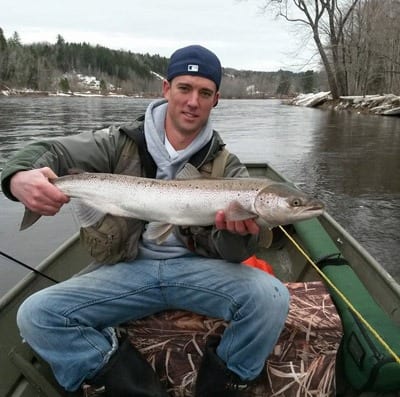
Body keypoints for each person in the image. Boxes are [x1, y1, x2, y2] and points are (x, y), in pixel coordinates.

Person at [1, 45, 290, 396]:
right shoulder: (117, 143)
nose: (193, 102)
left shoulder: (229, 168)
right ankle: (128, 383)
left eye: (205, 93)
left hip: (198, 273)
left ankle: (223, 384)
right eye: (184, 88)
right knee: (34, 315)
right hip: (126, 270)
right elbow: (52, 151)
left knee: (272, 297)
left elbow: (232, 255)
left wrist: (239, 236)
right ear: (166, 88)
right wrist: (17, 177)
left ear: (216, 100)